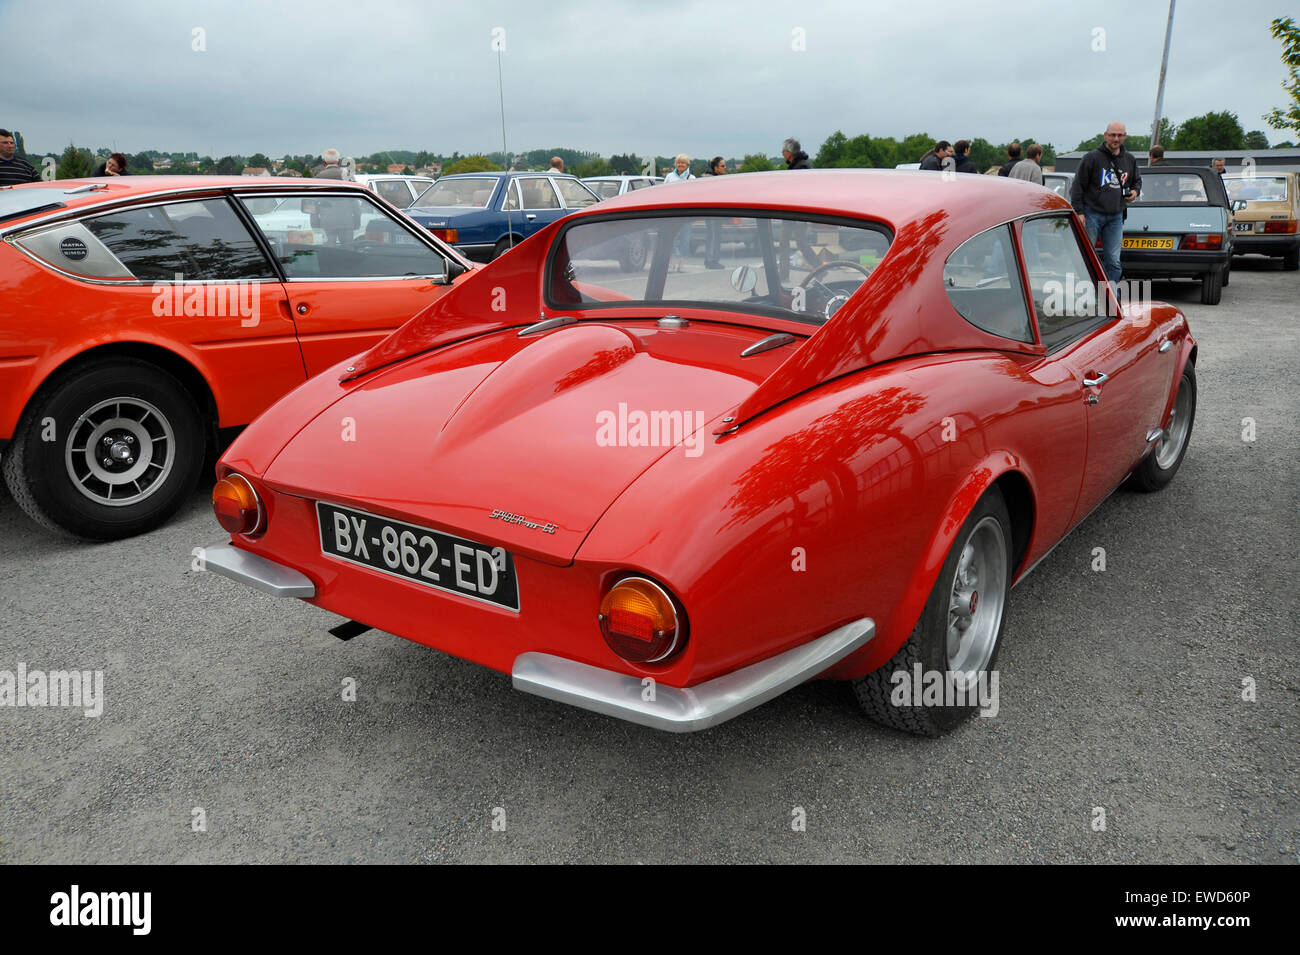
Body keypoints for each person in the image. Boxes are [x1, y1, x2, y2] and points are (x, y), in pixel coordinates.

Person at [1069, 121, 1141, 285]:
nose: (1116, 139)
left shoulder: (1129, 159)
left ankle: (1110, 295)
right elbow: (1077, 186)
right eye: (1112, 135)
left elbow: (1137, 181)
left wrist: (1135, 192)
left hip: (1115, 216)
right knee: (1086, 256)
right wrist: (1079, 212)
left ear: (1125, 136)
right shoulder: (1092, 158)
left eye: (1120, 135)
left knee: (1114, 261)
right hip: (1092, 213)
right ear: (1105, 135)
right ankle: (1085, 290)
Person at [702, 157, 726, 268]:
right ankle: (710, 260)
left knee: (717, 235)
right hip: (711, 211)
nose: (725, 168)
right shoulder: (710, 180)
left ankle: (714, 259)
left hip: (718, 211)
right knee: (712, 235)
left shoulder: (720, 179)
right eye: (722, 166)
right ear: (715, 168)